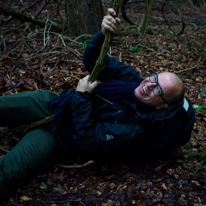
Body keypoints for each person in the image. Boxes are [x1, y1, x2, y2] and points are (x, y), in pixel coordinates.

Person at [0, 8, 195, 200]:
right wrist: (103, 35)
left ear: (162, 106)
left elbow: (85, 141)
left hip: (58, 136)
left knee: (8, 170)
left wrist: (82, 96)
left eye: (158, 90)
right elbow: (94, 61)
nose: (149, 84)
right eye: (154, 77)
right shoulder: (130, 77)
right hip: (52, 103)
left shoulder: (134, 129)